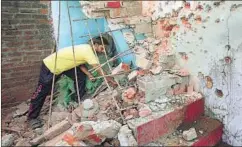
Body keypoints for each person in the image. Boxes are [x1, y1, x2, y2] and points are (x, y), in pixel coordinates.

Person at [27, 37, 117, 129]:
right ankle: (32, 117)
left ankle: (79, 97)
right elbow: (99, 69)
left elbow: (79, 63)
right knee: (41, 91)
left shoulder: (85, 48)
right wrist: (110, 80)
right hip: (51, 65)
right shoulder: (88, 51)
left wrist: (88, 74)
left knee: (80, 76)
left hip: (64, 64)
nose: (102, 51)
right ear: (96, 44)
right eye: (102, 48)